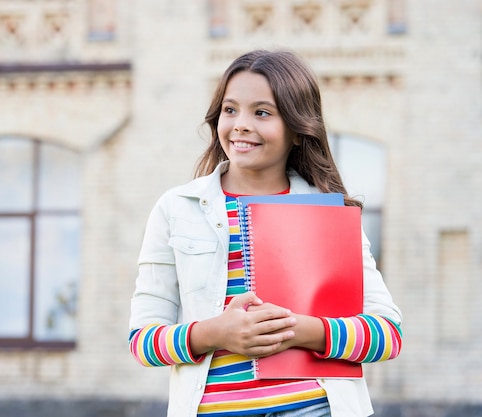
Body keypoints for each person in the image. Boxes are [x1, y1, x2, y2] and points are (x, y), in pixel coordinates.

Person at [128, 49, 402, 417]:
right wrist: (216, 333)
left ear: (298, 130)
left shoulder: (331, 212)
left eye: (262, 112)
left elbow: (387, 334)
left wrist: (300, 329)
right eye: (230, 110)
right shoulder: (176, 209)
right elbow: (143, 342)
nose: (240, 124)